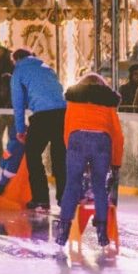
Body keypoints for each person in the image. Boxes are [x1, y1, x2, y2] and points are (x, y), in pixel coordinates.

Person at [54, 73, 125, 252]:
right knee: (99, 186)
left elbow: (67, 127)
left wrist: (71, 148)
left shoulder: (73, 100)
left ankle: (63, 230)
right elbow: (117, 135)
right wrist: (116, 163)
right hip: (102, 140)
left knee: (72, 185)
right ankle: (102, 232)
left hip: (76, 137)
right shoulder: (108, 102)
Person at [11, 48, 68, 212]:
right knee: (60, 157)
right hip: (62, 115)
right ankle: (64, 198)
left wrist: (20, 130)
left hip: (42, 116)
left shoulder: (19, 71)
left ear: (15, 60)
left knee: (33, 154)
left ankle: (41, 198)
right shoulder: (47, 67)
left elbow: (18, 104)